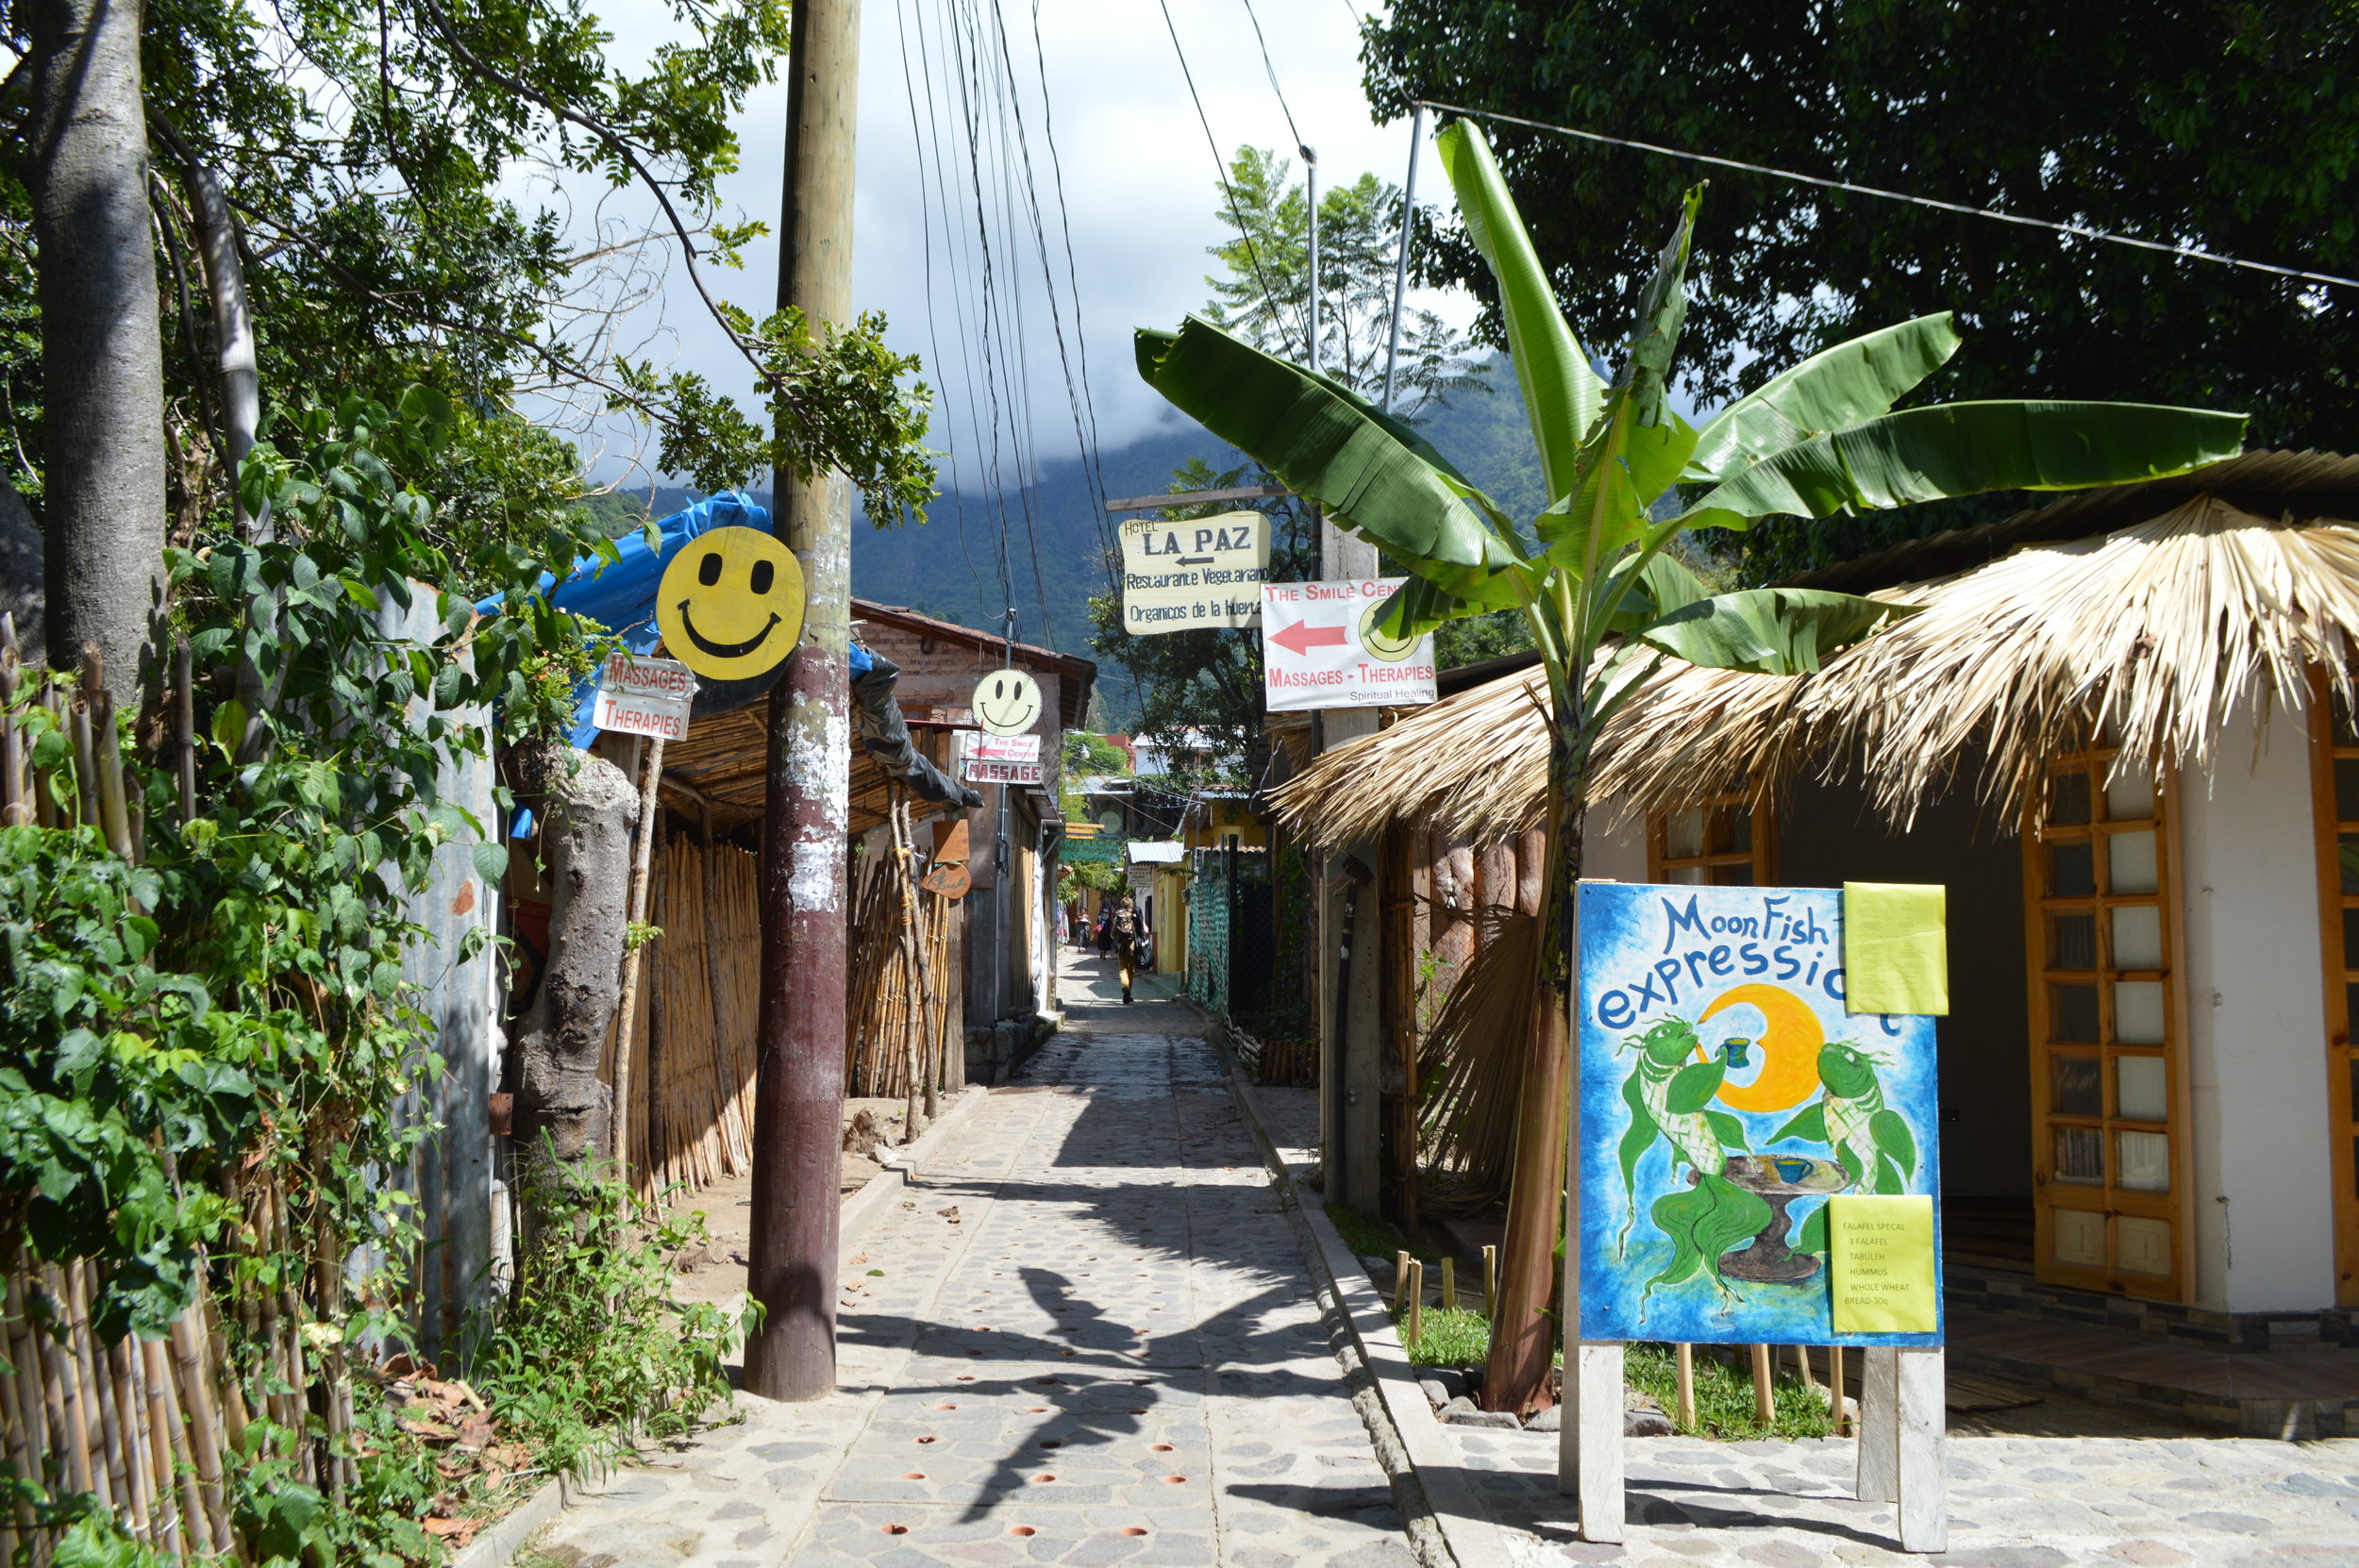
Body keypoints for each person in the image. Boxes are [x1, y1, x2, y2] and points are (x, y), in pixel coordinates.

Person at [1107, 891, 1146, 1004]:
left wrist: (1117, 939)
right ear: (1131, 905)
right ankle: (1128, 993)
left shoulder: (1118, 916)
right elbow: (1141, 930)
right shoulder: (1133, 915)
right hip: (1133, 945)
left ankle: (1125, 988)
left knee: (1122, 968)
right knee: (1131, 970)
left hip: (1121, 946)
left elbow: (1112, 933)